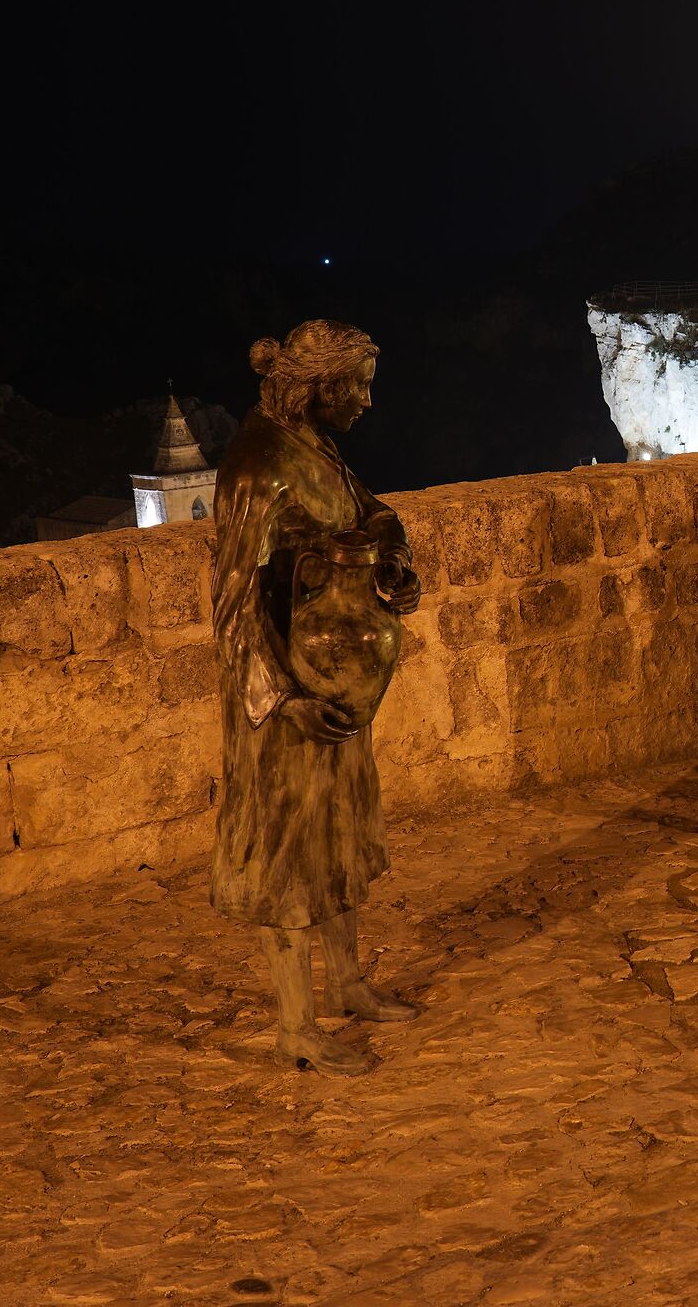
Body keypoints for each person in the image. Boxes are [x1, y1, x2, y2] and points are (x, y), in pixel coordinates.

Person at [212, 320, 424, 1073]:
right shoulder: (257, 467)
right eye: (358, 384)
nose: (366, 400)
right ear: (322, 384)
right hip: (287, 699)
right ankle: (297, 1027)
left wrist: (392, 558)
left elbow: (370, 514)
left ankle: (351, 984)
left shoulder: (314, 449)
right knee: (291, 852)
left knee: (339, 835)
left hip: (335, 681)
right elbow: (234, 601)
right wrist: (282, 698)